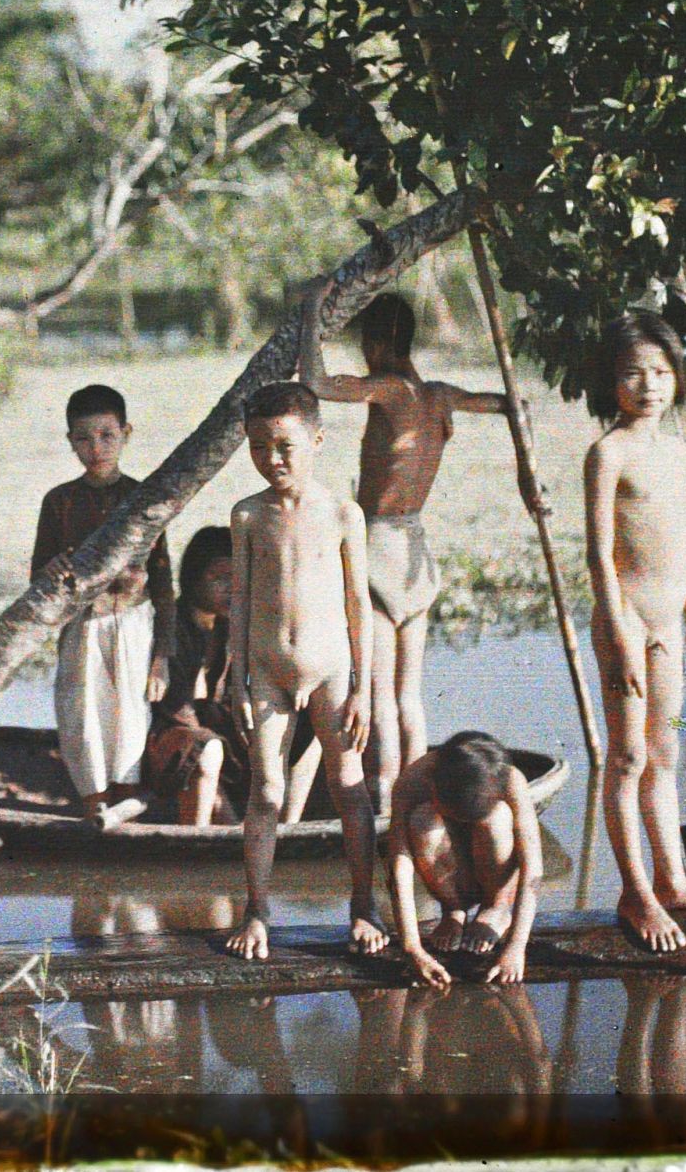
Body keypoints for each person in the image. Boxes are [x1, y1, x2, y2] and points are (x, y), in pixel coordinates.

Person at [300, 280, 528, 816]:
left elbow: (315, 382)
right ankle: (416, 796)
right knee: (408, 698)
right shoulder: (442, 395)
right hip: (416, 551)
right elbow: (512, 404)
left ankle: (387, 803)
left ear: (374, 344)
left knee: (378, 699)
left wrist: (312, 311)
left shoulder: (391, 390)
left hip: (379, 544)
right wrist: (524, 465)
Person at [223, 381, 386, 962]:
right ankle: (257, 909)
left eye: (286, 446)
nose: (273, 460)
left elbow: (357, 605)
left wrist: (364, 689)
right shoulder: (247, 515)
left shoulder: (343, 512)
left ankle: (363, 905)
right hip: (267, 670)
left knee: (347, 785)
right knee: (266, 789)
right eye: (260, 447)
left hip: (332, 672)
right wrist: (236, 673)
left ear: (317, 439)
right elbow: (240, 599)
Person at [584, 309, 686, 954]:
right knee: (628, 756)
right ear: (613, 382)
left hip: (670, 621)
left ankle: (670, 879)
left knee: (664, 756)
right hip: (627, 620)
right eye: (634, 373)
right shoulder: (608, 452)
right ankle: (633, 891)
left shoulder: (680, 453)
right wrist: (617, 629)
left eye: (661, 372)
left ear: (677, 379)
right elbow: (599, 553)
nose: (648, 386)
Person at [31, 384, 175, 817]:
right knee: (82, 713)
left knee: (129, 712)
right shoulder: (59, 502)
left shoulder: (144, 498)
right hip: (83, 625)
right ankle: (93, 802)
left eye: (107, 436)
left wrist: (162, 657)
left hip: (133, 622)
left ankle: (126, 803)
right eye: (83, 438)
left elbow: (164, 586)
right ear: (70, 441)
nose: (96, 448)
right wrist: (53, 569)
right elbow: (38, 573)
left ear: (126, 433)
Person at [144, 526, 322, 826]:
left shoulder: (231, 624)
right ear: (193, 579)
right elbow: (177, 712)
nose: (231, 588)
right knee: (206, 749)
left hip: (218, 728)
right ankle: (197, 842)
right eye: (219, 579)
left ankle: (287, 828)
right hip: (172, 738)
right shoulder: (172, 626)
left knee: (313, 723)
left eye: (237, 578)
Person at [385, 730, 544, 988]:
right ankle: (453, 909)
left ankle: (496, 907)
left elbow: (533, 867)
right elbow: (399, 865)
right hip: (450, 873)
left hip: (496, 874)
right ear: (434, 785)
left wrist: (516, 947)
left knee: (497, 818)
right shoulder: (412, 781)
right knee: (423, 820)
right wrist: (412, 948)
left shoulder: (512, 780)